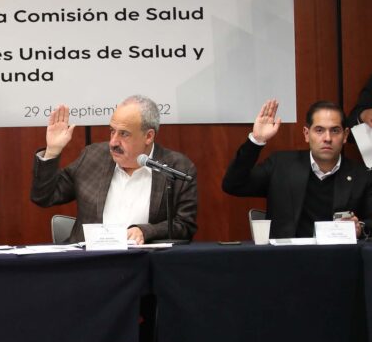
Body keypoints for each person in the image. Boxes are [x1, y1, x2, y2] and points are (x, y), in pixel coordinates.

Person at [30, 96, 198, 244]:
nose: (113, 142)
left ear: (148, 136)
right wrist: (52, 151)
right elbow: (44, 196)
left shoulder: (177, 168)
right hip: (89, 261)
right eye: (112, 131)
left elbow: (185, 225)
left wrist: (145, 231)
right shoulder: (93, 157)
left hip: (142, 262)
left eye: (124, 134)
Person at [222, 99, 372, 238]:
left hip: (339, 255)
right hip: (288, 255)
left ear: (345, 135)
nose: (327, 138)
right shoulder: (281, 166)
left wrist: (360, 227)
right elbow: (233, 185)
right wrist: (256, 141)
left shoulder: (361, 175)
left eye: (335, 131)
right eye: (319, 130)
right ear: (306, 134)